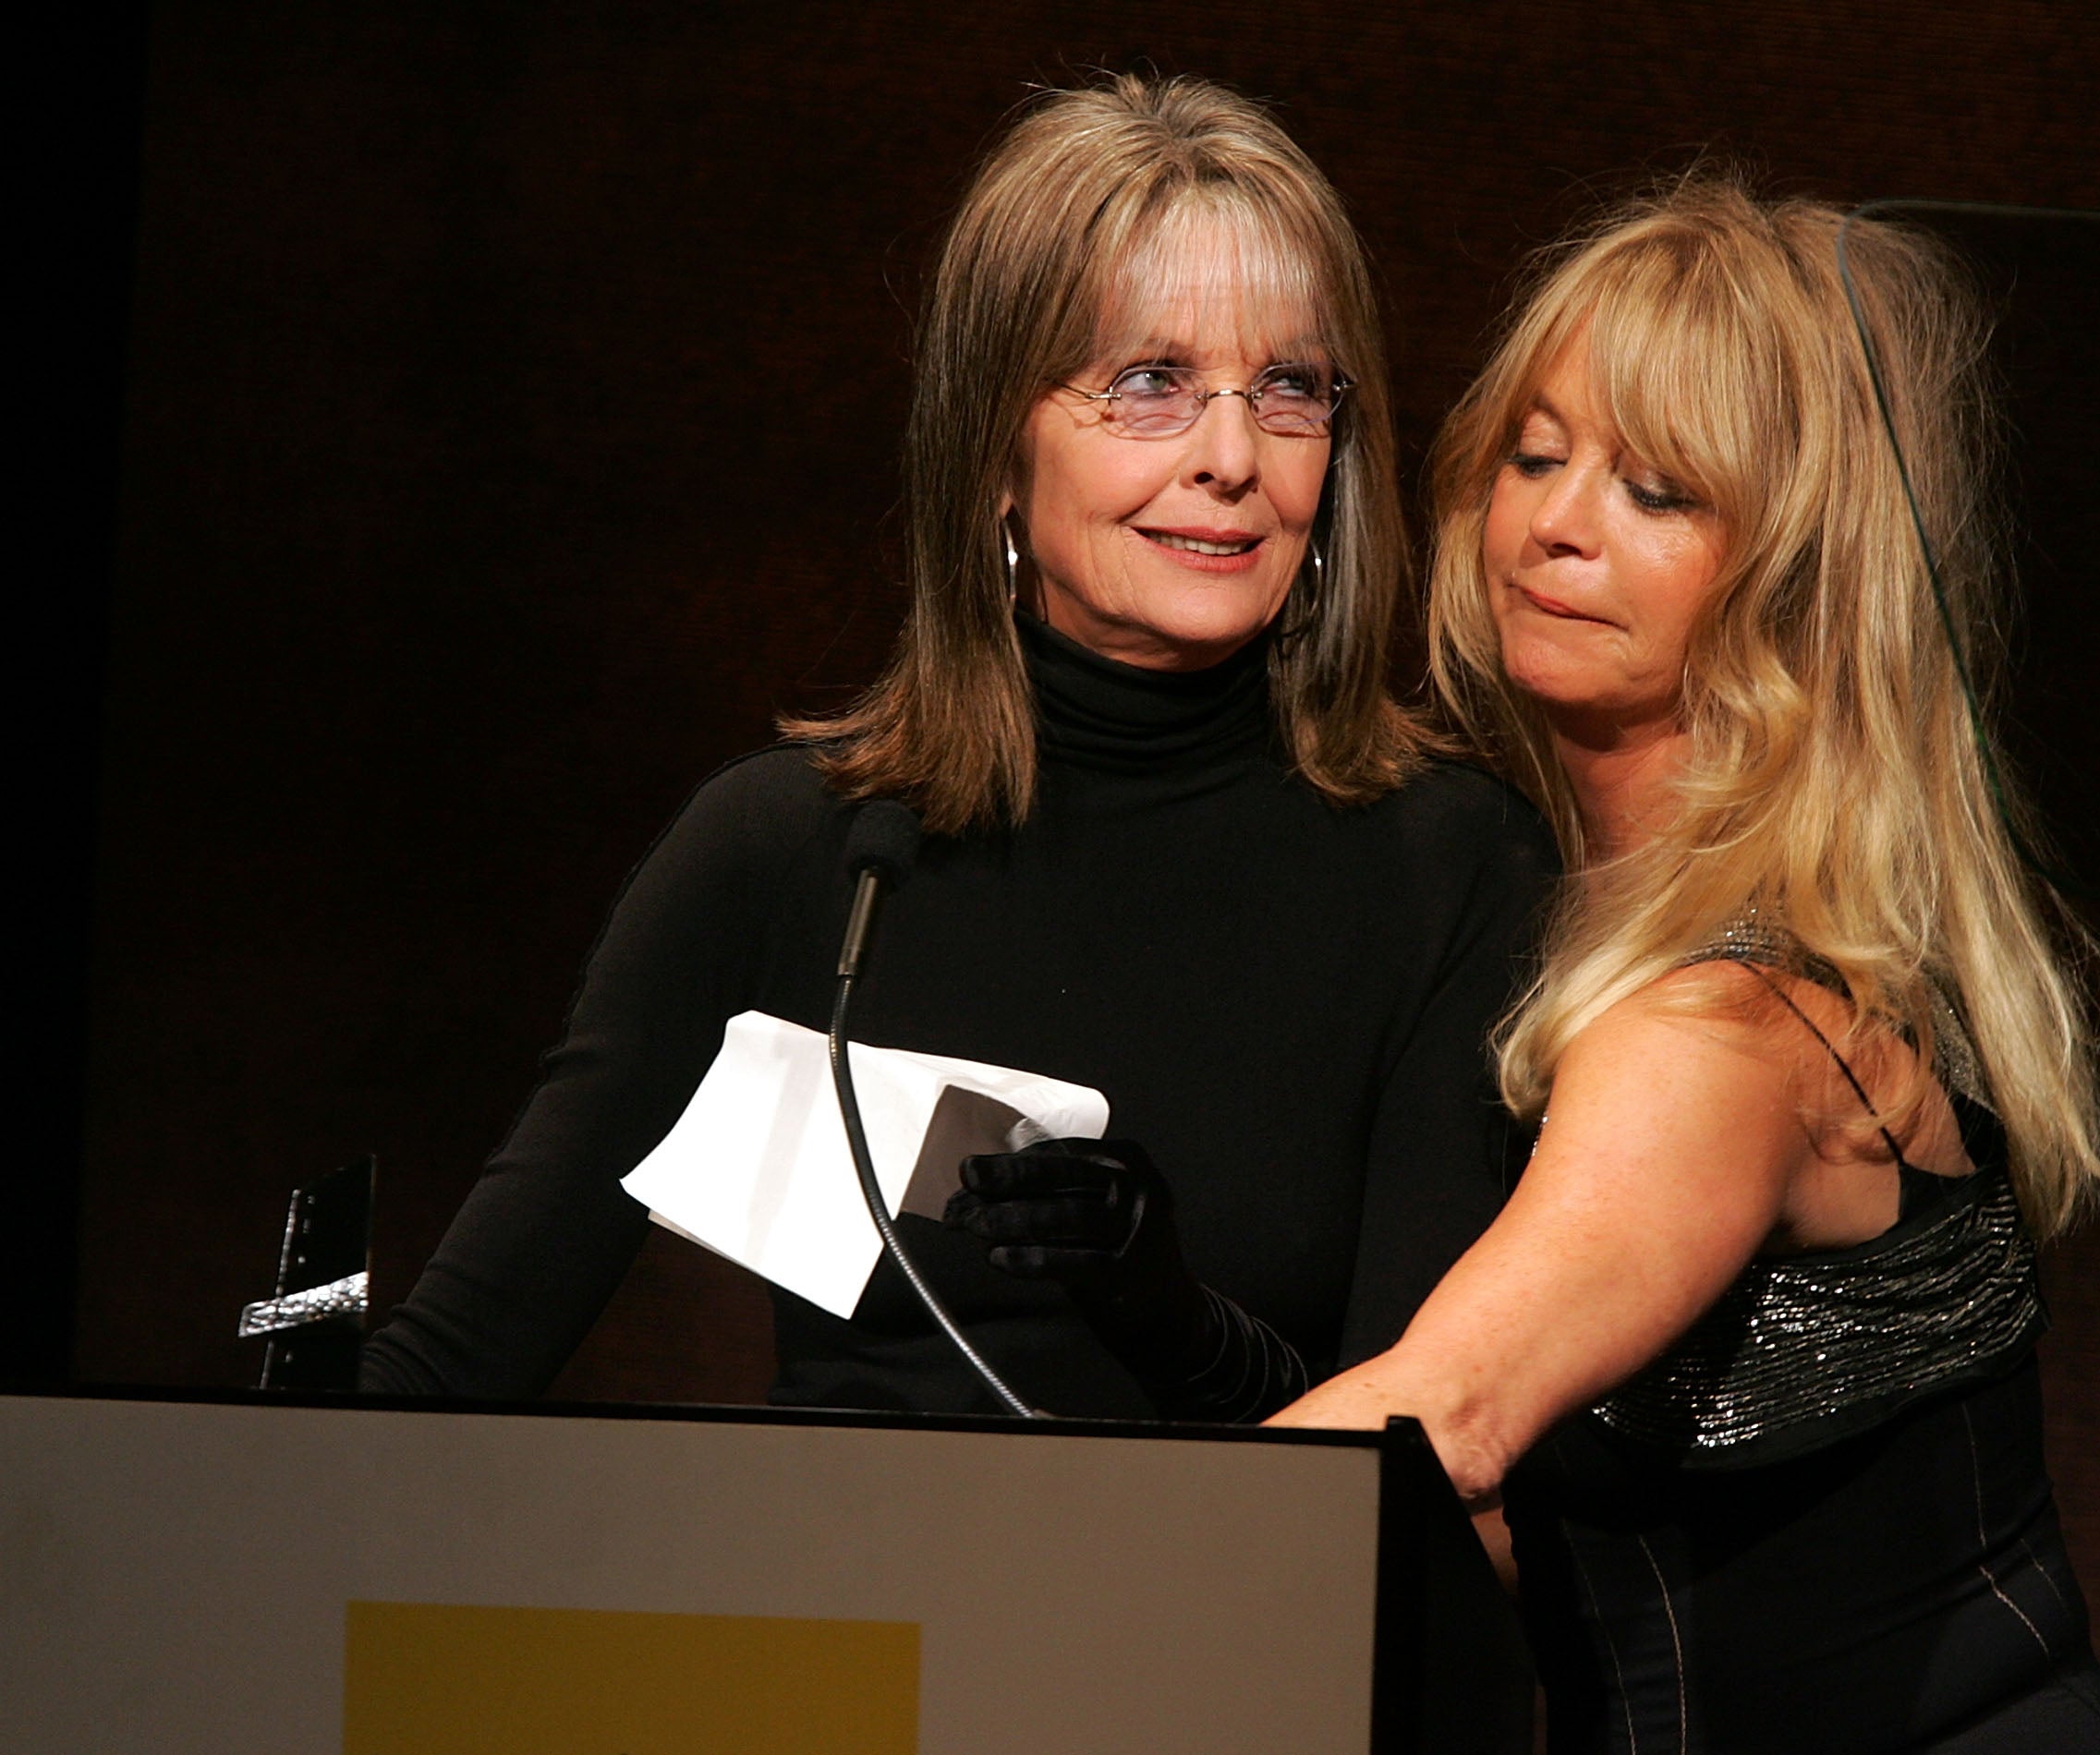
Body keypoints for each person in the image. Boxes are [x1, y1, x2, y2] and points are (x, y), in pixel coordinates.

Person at [359, 75, 1557, 1422]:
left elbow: (1424, 1463)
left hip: (1226, 1617)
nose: (1235, 455)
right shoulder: (798, 853)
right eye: (1150, 384)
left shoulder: (1451, 866)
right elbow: (451, 1370)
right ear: (994, 446)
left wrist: (1175, 1325)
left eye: (1288, 388)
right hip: (843, 1615)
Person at [1268, 179, 2100, 1752]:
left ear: (1799, 575)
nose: (1554, 522)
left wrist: (1017, 1596)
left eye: (1658, 491)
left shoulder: (1719, 1024)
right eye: (1537, 456)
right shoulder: (1707, 937)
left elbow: (1443, 1429)